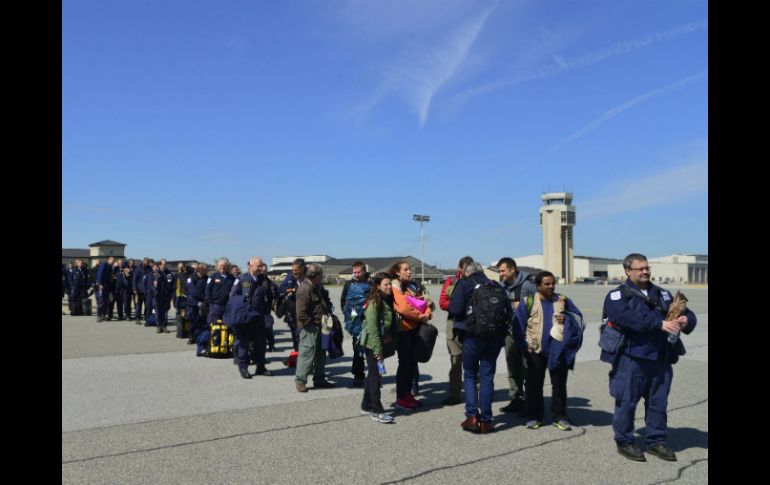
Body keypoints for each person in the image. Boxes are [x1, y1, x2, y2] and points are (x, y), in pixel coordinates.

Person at [601, 253, 697, 462]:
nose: (645, 272)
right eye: (640, 269)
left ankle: (656, 441)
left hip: (660, 359)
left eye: (647, 268)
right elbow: (626, 317)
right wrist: (659, 324)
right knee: (626, 402)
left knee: (658, 403)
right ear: (628, 271)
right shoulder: (618, 296)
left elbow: (690, 315)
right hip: (631, 358)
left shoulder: (662, 294)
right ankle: (625, 441)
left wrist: (684, 320)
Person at [513, 271, 583, 432]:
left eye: (553, 283)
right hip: (535, 351)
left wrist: (567, 318)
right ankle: (534, 416)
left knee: (559, 385)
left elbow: (578, 317)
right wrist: (524, 347)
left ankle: (559, 416)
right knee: (534, 385)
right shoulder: (528, 301)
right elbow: (517, 325)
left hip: (558, 351)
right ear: (538, 286)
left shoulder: (563, 300)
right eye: (547, 284)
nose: (551, 286)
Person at [449, 262, 507, 434]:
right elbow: (507, 311)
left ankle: (472, 417)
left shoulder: (464, 283)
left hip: (472, 336)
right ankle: (486, 420)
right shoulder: (495, 285)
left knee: (470, 375)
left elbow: (455, 308)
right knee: (487, 376)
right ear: (482, 271)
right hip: (494, 337)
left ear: (468, 273)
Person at [388, 261, 431, 411]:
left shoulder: (412, 286)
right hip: (403, 331)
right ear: (397, 272)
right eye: (405, 270)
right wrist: (421, 316)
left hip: (414, 330)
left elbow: (426, 302)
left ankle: (407, 395)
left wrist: (427, 313)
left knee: (412, 364)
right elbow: (404, 308)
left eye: (409, 270)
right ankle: (401, 397)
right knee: (405, 364)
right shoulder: (394, 288)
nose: (409, 272)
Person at [496, 257, 537, 415]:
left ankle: (531, 401)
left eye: (503, 271)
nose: (500, 274)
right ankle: (516, 398)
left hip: (527, 333)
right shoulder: (501, 287)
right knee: (513, 367)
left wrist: (525, 306)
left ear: (513, 269)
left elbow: (540, 305)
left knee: (528, 367)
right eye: (499, 271)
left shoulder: (528, 285)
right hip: (510, 333)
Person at [359, 272, 398, 423]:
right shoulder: (374, 303)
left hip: (379, 342)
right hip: (372, 344)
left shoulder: (386, 299)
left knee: (372, 375)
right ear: (377, 286)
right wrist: (378, 352)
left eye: (390, 284)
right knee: (375, 377)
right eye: (385, 285)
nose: (389, 287)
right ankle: (377, 410)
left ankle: (366, 405)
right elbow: (373, 329)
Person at [438, 256, 474, 406]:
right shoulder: (450, 281)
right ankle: (454, 394)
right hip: (453, 323)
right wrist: (457, 306)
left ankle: (474, 393)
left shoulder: (475, 281)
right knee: (455, 361)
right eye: (463, 269)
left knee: (473, 360)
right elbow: (442, 302)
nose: (465, 272)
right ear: (459, 268)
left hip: (472, 324)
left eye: (468, 269)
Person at [294, 263, 335, 392]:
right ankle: (300, 381)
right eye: (321, 275)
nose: (322, 277)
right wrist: (311, 324)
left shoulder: (316, 287)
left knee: (320, 354)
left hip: (320, 325)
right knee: (307, 354)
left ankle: (319, 379)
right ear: (316, 276)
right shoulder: (304, 290)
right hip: (309, 328)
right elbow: (301, 313)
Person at [230, 257, 273, 378]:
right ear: (250, 266)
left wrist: (267, 311)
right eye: (258, 266)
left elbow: (270, 295)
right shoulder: (241, 279)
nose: (260, 268)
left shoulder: (264, 280)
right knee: (244, 343)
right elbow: (233, 297)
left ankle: (261, 367)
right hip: (246, 317)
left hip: (259, 317)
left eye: (261, 266)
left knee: (260, 344)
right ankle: (243, 367)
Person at [341, 261, 370, 387]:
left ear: (364, 271)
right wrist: (351, 318)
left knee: (373, 350)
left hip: (370, 319)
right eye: (355, 272)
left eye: (359, 272)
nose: (356, 274)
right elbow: (344, 302)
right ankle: (359, 376)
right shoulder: (349, 284)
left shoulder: (371, 283)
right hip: (355, 320)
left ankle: (376, 376)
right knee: (357, 349)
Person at [277, 259, 306, 352]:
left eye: (296, 270)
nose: (294, 272)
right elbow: (281, 289)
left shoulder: (309, 277)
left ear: (302, 268)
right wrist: (293, 290)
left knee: (305, 335)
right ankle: (298, 354)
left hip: (306, 312)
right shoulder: (290, 277)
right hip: (292, 312)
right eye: (292, 270)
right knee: (295, 335)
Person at [186, 263, 210, 356]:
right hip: (192, 304)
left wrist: (206, 300)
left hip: (204, 304)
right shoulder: (190, 278)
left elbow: (209, 289)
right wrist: (203, 299)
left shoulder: (207, 279)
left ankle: (199, 340)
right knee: (192, 322)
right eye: (205, 270)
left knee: (202, 324)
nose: (206, 271)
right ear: (200, 270)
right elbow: (193, 292)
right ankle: (191, 336)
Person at [206, 258, 235, 328]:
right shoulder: (212, 277)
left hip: (228, 305)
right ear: (218, 266)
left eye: (224, 265)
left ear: (227, 266)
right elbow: (207, 290)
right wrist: (210, 302)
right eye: (221, 265)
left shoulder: (232, 278)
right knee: (216, 326)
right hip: (216, 305)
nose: (223, 267)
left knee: (228, 325)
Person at [259, 262, 279, 352]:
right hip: (256, 311)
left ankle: (271, 345)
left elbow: (277, 294)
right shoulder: (254, 282)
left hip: (266, 311)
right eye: (262, 271)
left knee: (268, 328)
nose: (264, 273)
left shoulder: (270, 283)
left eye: (265, 272)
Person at [153, 259, 175, 333]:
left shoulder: (169, 274)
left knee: (165, 312)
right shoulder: (156, 273)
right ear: (160, 265)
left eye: (166, 264)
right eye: (164, 264)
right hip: (158, 296)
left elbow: (172, 284)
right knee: (158, 312)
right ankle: (159, 326)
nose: (165, 265)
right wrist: (155, 292)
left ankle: (164, 326)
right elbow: (153, 284)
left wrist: (171, 294)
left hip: (166, 296)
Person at [95, 256, 115, 322]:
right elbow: (100, 274)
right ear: (109, 260)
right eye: (112, 260)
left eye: (114, 261)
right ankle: (98, 316)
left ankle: (104, 315)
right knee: (101, 301)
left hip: (107, 286)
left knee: (106, 301)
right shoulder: (104, 265)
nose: (113, 262)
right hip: (102, 286)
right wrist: (100, 283)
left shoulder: (110, 266)